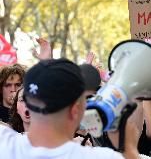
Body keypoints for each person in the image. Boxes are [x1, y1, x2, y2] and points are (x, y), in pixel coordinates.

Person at [0, 58, 140, 159]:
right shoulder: (100, 157)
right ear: (76, 110)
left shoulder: (4, 144)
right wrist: (128, 148)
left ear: (27, 103)